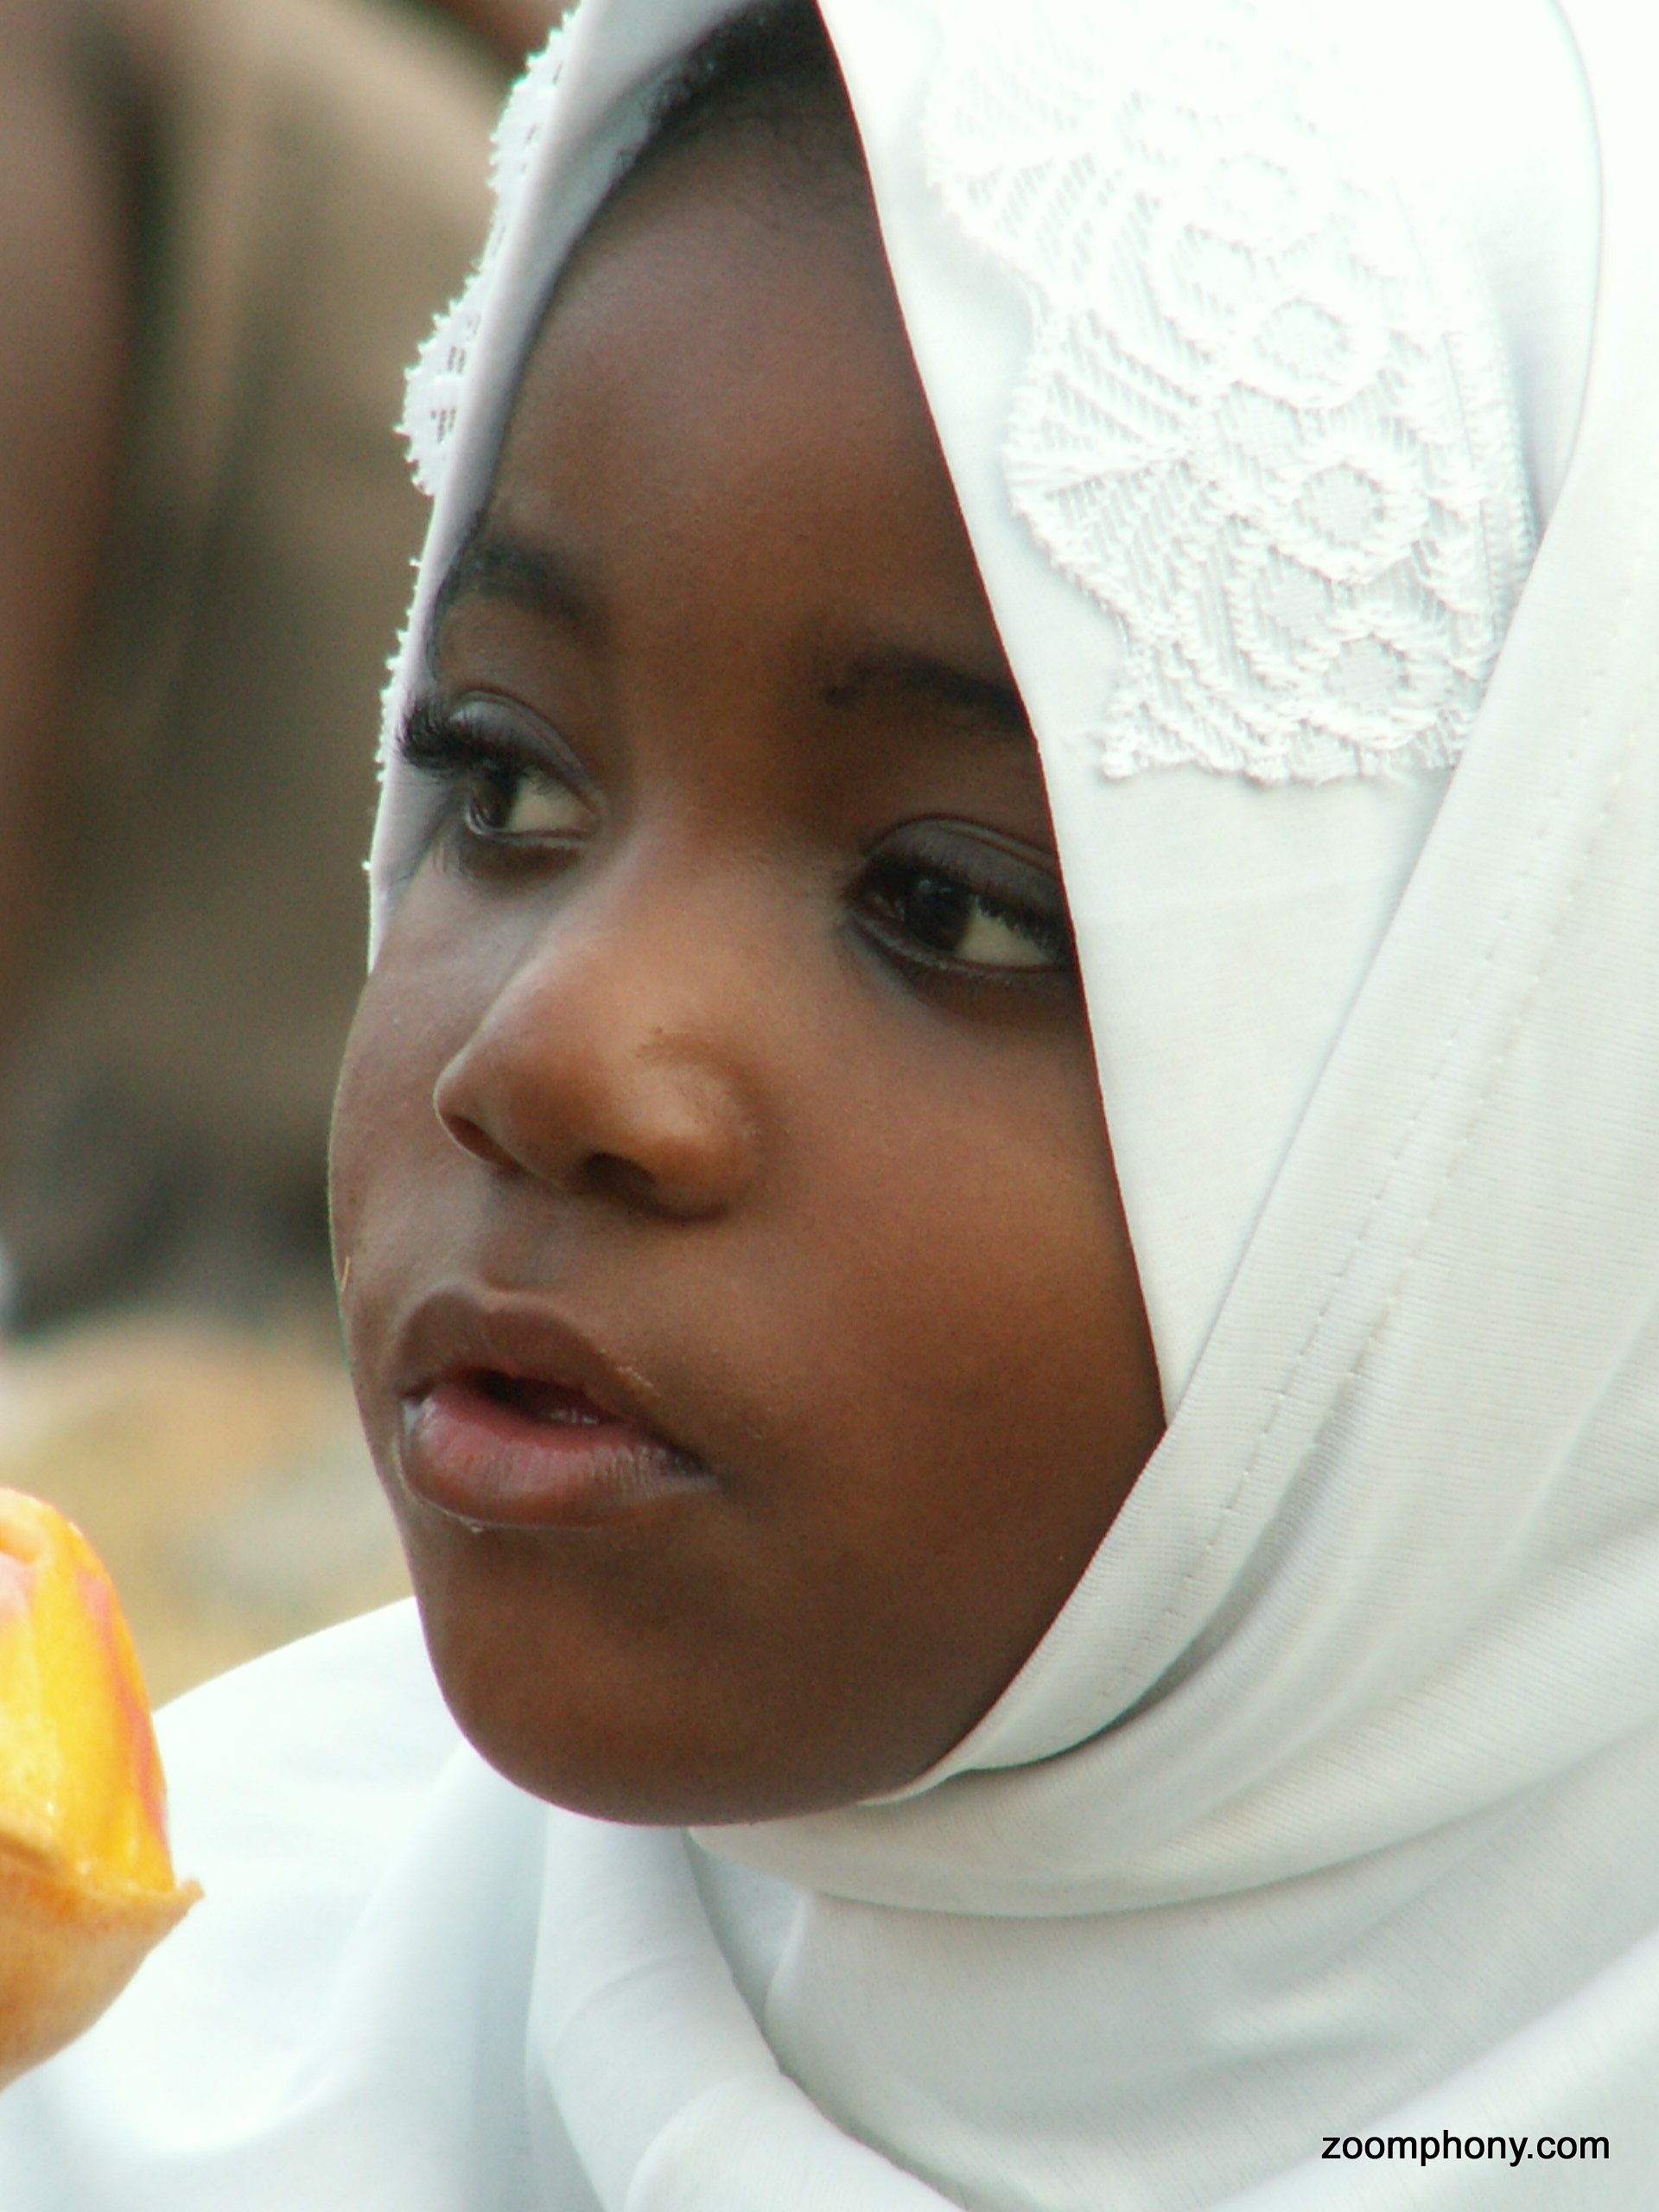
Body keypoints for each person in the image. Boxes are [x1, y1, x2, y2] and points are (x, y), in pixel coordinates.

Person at [5, 0, 1657, 2204]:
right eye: (501, 776)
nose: (558, 1055)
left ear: (1521, 1113)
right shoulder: (141, 2072)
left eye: (948, 907)